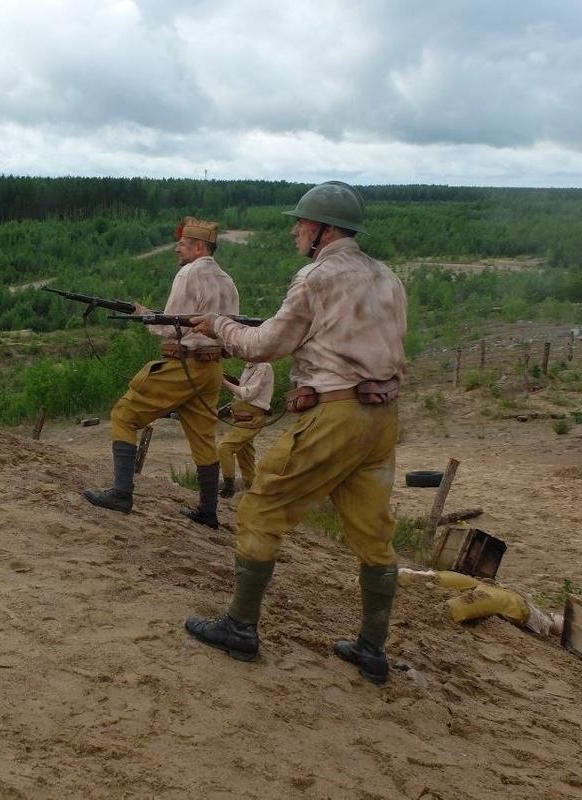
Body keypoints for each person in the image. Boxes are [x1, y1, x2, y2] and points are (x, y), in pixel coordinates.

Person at [183, 181, 408, 685]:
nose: (294, 230)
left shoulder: (316, 277)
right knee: (374, 534)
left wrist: (218, 326)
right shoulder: (389, 277)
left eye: (301, 223)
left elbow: (264, 345)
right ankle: (372, 649)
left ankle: (240, 627)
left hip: (335, 417)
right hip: (382, 419)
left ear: (324, 230)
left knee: (260, 508)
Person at [83, 216, 239, 528]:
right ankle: (208, 511)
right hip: (212, 366)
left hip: (185, 364)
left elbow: (171, 326)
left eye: (181, 243)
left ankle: (121, 493)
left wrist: (146, 317)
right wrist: (152, 315)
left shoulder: (187, 274)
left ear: (197, 247)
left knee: (124, 415)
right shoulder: (227, 280)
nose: (177, 249)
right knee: (203, 437)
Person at [216, 361, 274, 497]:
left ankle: (229, 488)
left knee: (225, 448)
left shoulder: (263, 366)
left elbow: (247, 394)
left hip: (251, 420)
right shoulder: (251, 365)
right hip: (242, 419)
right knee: (245, 453)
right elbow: (245, 388)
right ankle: (252, 486)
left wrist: (224, 381)